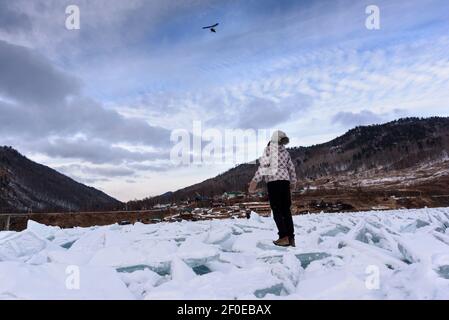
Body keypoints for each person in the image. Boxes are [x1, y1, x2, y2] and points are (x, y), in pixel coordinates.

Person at [248, 130, 297, 247]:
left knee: (277, 210)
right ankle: (291, 238)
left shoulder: (269, 151)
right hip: (285, 183)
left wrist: (254, 181)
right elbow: (291, 168)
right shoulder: (286, 153)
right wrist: (293, 182)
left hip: (274, 183)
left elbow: (263, 167)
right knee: (286, 211)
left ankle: (283, 237)